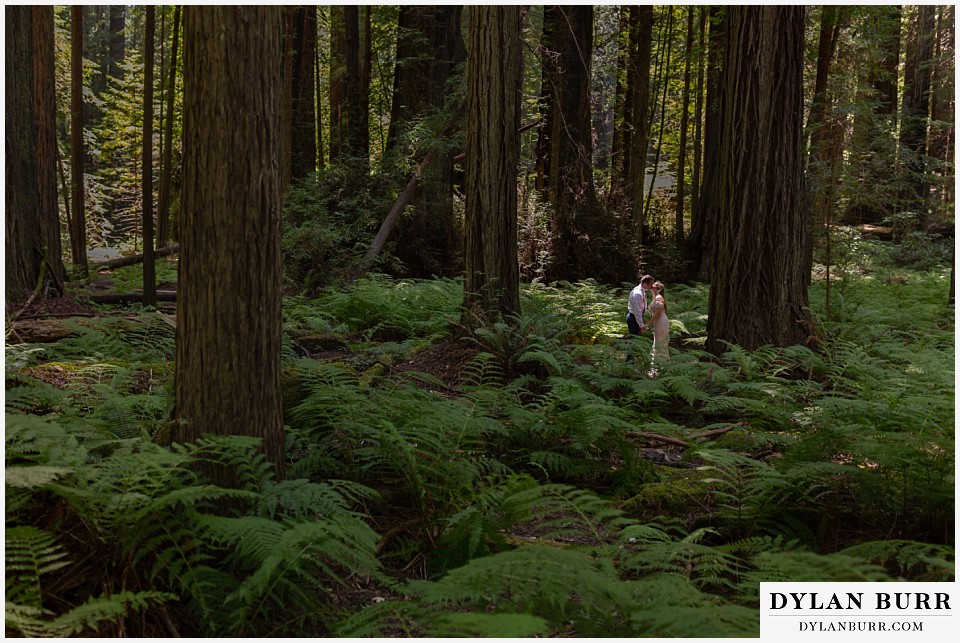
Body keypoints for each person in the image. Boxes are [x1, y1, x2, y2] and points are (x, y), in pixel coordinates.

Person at [625, 275, 654, 362]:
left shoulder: (641, 291)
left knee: (634, 339)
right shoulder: (638, 293)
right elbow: (637, 311)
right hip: (634, 318)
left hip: (636, 317)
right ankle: (629, 361)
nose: (651, 286)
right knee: (633, 340)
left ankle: (631, 359)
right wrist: (641, 325)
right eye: (650, 284)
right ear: (645, 283)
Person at [647, 281, 669, 374]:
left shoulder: (659, 297)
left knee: (660, 344)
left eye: (654, 285)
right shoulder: (655, 297)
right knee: (658, 343)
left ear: (658, 288)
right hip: (657, 323)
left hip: (661, 322)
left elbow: (658, 314)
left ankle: (661, 368)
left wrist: (647, 324)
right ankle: (656, 368)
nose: (651, 285)